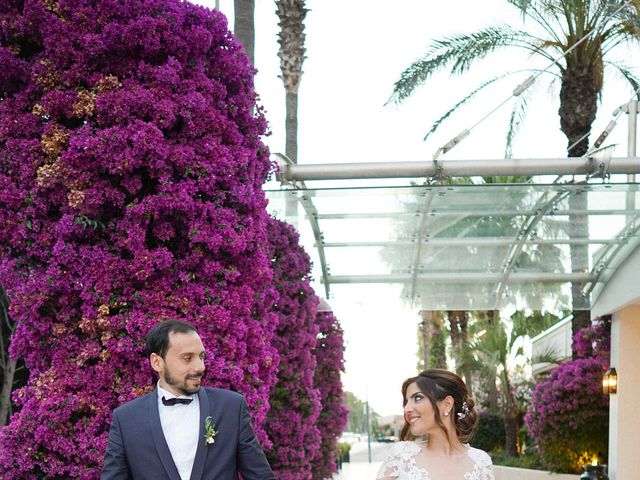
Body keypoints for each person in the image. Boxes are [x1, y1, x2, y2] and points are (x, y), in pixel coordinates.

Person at [101, 319, 275, 480]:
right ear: (157, 362)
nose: (200, 367)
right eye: (187, 358)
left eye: (201, 356)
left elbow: (261, 476)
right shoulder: (126, 419)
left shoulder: (231, 408)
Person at [377, 369, 494, 480]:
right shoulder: (401, 456)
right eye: (406, 402)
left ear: (447, 404)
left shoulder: (481, 463)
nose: (407, 409)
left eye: (417, 398)